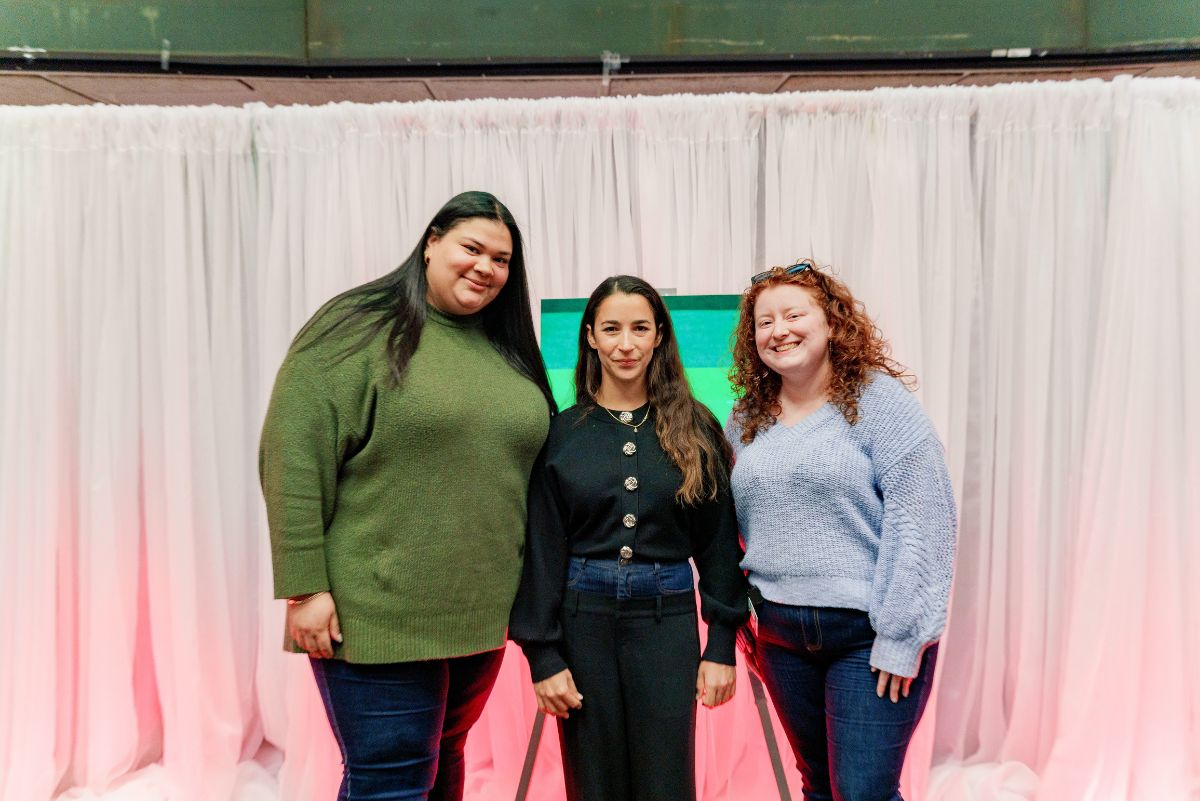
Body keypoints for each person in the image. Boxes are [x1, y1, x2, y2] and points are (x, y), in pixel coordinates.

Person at [259, 191, 556, 801]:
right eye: (471, 248)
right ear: (430, 244)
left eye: (501, 260)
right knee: (392, 783)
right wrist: (305, 586)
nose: (486, 268)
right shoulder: (359, 325)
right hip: (377, 611)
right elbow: (292, 454)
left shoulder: (503, 348)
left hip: (478, 617)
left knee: (444, 765)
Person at [509, 275, 749, 801]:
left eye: (640, 328)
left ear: (659, 335)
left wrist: (723, 645)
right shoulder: (561, 434)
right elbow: (543, 553)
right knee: (593, 782)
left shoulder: (696, 427)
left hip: (667, 625)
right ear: (591, 336)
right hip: (582, 625)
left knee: (667, 781)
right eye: (611, 328)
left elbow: (717, 544)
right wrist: (544, 657)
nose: (626, 343)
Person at [726, 261, 957, 801]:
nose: (778, 329)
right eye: (764, 321)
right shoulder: (746, 418)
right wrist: (746, 622)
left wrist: (903, 638)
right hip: (780, 635)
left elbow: (923, 523)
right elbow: (732, 527)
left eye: (794, 314)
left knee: (862, 792)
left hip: (868, 637)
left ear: (831, 323)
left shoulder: (883, 406)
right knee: (820, 788)